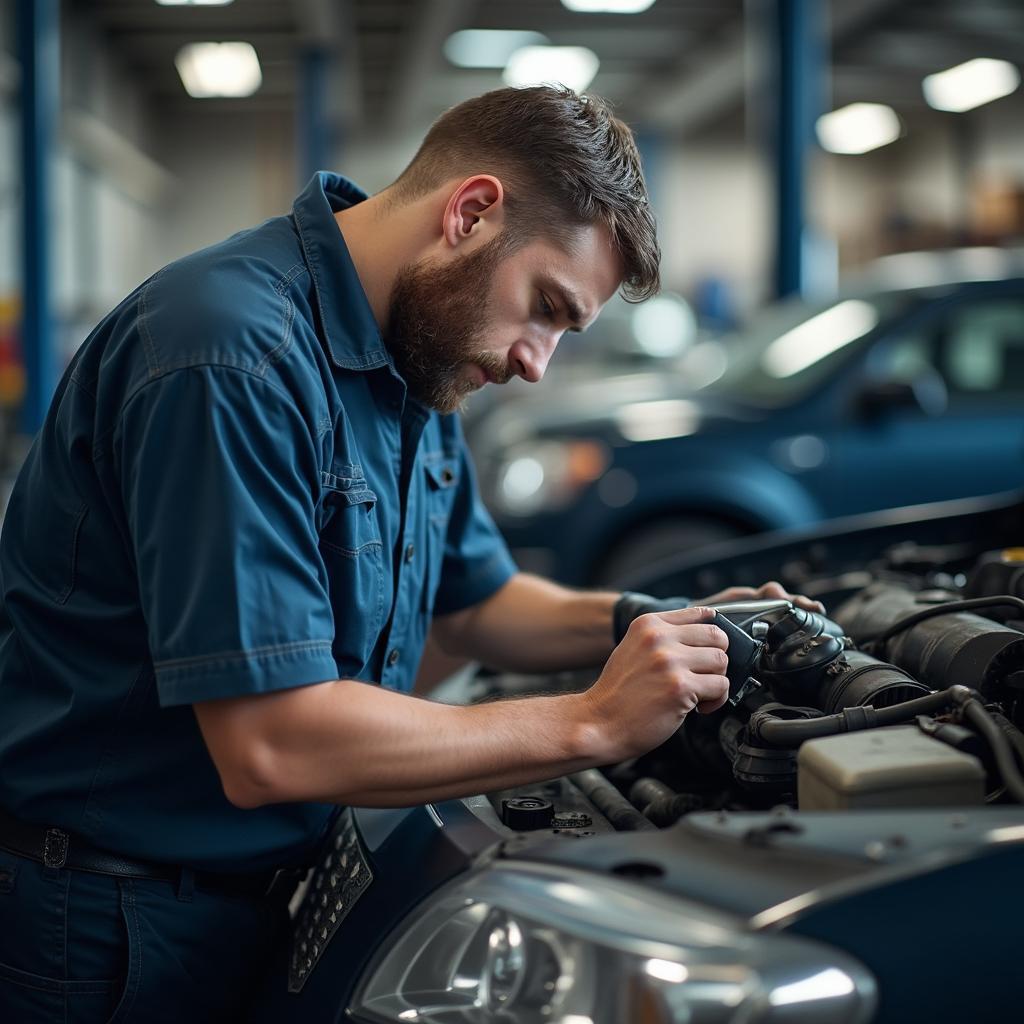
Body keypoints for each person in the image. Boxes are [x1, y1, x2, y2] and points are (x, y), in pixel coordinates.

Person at [0, 86, 813, 1021]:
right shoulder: (228, 355)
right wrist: (593, 722)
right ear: (469, 213)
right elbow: (271, 744)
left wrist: (657, 630)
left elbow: (477, 602)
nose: (536, 363)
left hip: (251, 898)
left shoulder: (416, 360)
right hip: (107, 929)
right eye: (544, 307)